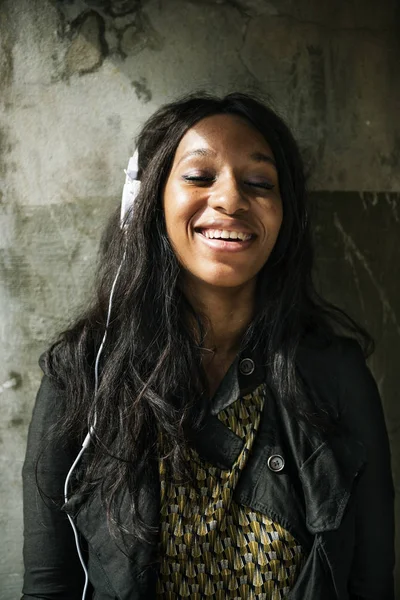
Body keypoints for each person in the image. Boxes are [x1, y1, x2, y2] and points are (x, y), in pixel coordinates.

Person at [21, 92, 395, 600]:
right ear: (150, 202)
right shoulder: (83, 374)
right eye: (200, 177)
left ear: (285, 216)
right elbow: (49, 587)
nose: (231, 200)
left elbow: (370, 583)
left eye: (259, 183)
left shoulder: (337, 375)